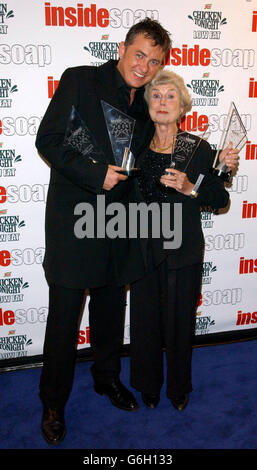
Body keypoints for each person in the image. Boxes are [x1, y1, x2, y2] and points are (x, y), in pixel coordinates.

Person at [35, 19, 171, 445]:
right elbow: (48, 140)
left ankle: (106, 378)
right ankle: (53, 402)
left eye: (155, 62)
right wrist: (95, 174)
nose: (145, 67)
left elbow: (145, 167)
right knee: (63, 320)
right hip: (74, 221)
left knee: (111, 313)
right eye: (139, 55)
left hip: (120, 225)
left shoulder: (145, 102)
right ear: (122, 48)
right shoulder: (81, 80)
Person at [129, 69, 238, 411]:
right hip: (143, 248)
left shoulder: (198, 148)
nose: (162, 103)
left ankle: (178, 387)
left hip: (182, 250)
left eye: (170, 97)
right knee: (144, 320)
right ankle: (147, 384)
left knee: (180, 322)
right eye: (156, 96)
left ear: (182, 106)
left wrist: (191, 187)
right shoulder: (135, 148)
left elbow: (220, 199)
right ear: (148, 105)